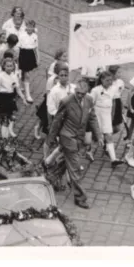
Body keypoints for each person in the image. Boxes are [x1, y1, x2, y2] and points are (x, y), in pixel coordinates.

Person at [47, 78, 103, 209]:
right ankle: (80, 197)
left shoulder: (89, 100)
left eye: (83, 94)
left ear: (86, 92)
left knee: (63, 163)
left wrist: (98, 135)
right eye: (78, 93)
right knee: (75, 167)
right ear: (75, 90)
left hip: (78, 138)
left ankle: (48, 180)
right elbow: (57, 121)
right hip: (67, 137)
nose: (80, 96)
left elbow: (92, 117)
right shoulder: (66, 101)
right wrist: (50, 138)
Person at [89, 71, 125, 168]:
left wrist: (113, 116)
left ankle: (113, 159)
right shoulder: (96, 90)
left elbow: (114, 102)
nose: (110, 82)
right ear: (102, 80)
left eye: (111, 80)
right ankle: (90, 151)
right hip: (97, 114)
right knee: (97, 135)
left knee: (109, 135)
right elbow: (90, 104)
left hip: (107, 114)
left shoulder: (113, 89)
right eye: (107, 80)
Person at [0, 57, 28, 138]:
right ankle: (1, 135)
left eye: (11, 66)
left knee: (8, 118)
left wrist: (23, 98)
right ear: (4, 66)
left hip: (10, 99)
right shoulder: (0, 75)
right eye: (8, 66)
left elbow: (17, 89)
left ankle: (4, 136)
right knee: (2, 119)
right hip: (1, 98)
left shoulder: (14, 76)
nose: (9, 68)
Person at [17, 19, 39, 103]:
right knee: (22, 74)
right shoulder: (22, 35)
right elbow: (18, 47)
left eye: (32, 27)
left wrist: (38, 58)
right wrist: (17, 59)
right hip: (22, 54)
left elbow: (36, 48)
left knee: (26, 73)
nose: (30, 28)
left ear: (34, 28)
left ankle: (26, 92)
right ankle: (24, 92)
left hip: (30, 55)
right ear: (25, 27)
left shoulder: (34, 36)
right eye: (28, 26)